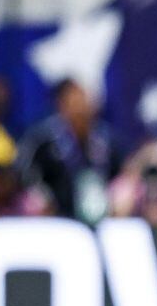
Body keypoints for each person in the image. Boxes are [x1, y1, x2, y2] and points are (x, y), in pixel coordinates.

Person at [17, 79, 123, 223]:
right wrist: (40, 195)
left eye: (84, 102)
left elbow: (122, 172)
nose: (81, 109)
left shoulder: (105, 139)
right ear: (62, 106)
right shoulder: (44, 139)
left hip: (100, 212)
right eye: (75, 103)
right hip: (55, 216)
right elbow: (23, 170)